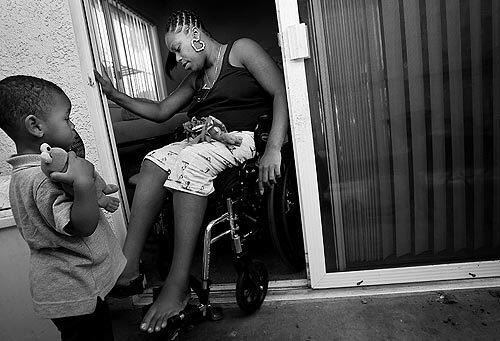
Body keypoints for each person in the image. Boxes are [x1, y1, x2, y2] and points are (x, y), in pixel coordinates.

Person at [94, 9, 288, 334]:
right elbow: (159, 111)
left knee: (191, 160)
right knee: (153, 161)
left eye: (179, 48)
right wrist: (114, 94)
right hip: (204, 140)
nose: (177, 58)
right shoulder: (195, 79)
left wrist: (273, 149)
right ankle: (127, 268)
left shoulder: (241, 50)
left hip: (242, 138)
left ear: (196, 36)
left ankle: (177, 283)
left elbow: (281, 91)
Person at [0, 75, 126, 341]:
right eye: (67, 118)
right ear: (35, 126)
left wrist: (96, 197)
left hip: (63, 290)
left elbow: (51, 215)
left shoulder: (23, 175)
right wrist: (82, 183)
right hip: (77, 291)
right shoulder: (43, 179)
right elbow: (82, 224)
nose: (72, 125)